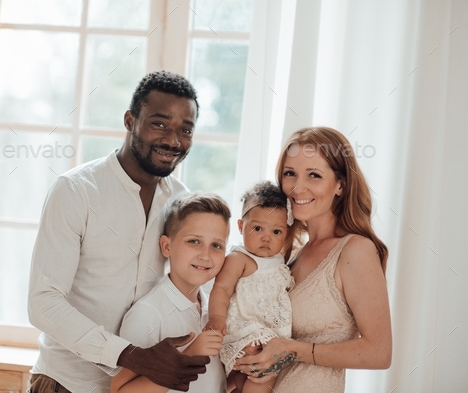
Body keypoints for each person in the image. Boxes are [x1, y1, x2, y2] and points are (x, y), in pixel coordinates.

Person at [27, 71, 210, 393]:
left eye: (186, 129)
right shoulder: (76, 191)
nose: (173, 140)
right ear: (130, 120)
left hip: (138, 387)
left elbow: (190, 279)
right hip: (66, 383)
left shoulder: (181, 200)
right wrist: (131, 356)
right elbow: (43, 303)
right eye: (159, 123)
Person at [234, 127, 392, 392]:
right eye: (290, 174)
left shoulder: (355, 251)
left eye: (314, 175)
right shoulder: (290, 255)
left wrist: (290, 349)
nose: (297, 187)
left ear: (340, 185)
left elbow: (379, 352)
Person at [110, 192, 231, 393]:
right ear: (167, 246)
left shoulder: (216, 310)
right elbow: (120, 391)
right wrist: (189, 356)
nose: (205, 255)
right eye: (194, 241)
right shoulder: (147, 314)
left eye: (216, 245)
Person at [204, 181, 295, 393]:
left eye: (276, 232)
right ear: (240, 227)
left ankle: (236, 385)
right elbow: (222, 289)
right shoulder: (239, 258)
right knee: (263, 376)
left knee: (264, 375)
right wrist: (216, 318)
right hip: (247, 332)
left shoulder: (279, 260)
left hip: (271, 335)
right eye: (257, 228)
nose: (266, 237)